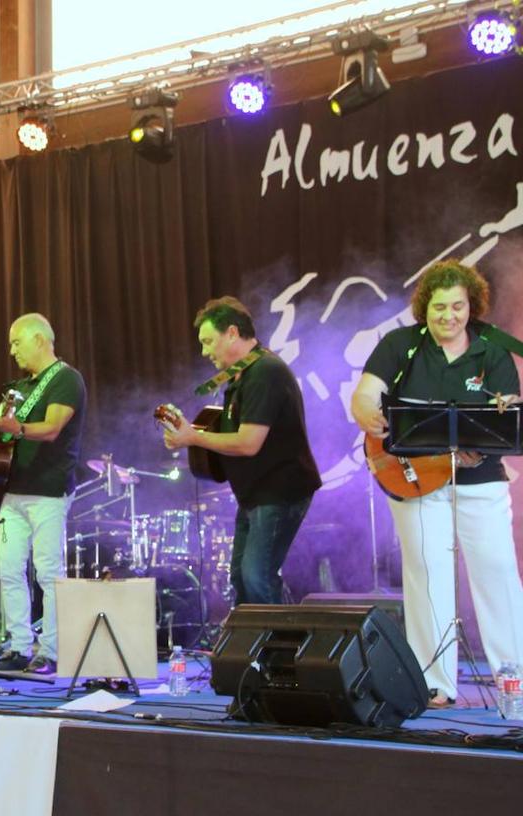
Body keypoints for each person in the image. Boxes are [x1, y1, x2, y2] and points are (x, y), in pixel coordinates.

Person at [351, 260, 523, 707]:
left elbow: (509, 414)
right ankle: (434, 683)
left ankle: (514, 676)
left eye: (458, 307)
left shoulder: (492, 351)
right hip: (415, 480)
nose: (449, 316)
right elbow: (366, 393)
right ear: (424, 306)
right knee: (426, 574)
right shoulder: (400, 344)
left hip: (481, 482)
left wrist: (483, 444)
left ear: (473, 307)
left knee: (498, 573)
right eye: (440, 307)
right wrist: (367, 409)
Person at [161, 296, 321, 606]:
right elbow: (230, 435)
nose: (204, 352)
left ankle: (283, 649)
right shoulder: (241, 375)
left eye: (208, 342)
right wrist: (187, 432)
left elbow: (248, 443)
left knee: (256, 577)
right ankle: (269, 644)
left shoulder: (264, 371)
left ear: (232, 332)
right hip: (257, 494)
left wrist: (192, 438)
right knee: (241, 576)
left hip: (280, 492)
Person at [0, 313, 86, 676]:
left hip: (48, 491)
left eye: (17, 342)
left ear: (39, 340)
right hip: (10, 491)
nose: (12, 350)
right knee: (7, 567)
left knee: (48, 570)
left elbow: (52, 428)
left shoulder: (66, 378)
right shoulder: (17, 388)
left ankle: (50, 650)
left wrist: (15, 427)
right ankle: (19, 644)